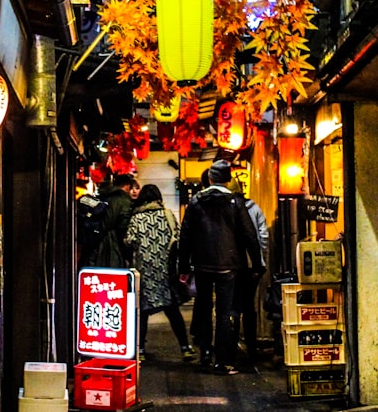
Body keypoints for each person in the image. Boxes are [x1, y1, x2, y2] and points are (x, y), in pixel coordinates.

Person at [178, 160, 265, 376]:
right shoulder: (235, 202)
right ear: (228, 180)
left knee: (204, 307)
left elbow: (185, 235)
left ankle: (205, 354)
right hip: (230, 266)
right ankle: (222, 362)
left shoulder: (196, 201)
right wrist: (256, 263)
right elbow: (249, 235)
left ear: (210, 178)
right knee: (225, 313)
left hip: (202, 265)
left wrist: (183, 266)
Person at [124, 183, 198, 362]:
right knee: (172, 310)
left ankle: (139, 350)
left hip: (145, 272)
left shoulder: (136, 218)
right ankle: (185, 347)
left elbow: (129, 241)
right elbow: (179, 238)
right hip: (166, 270)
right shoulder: (168, 215)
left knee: (141, 312)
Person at [232, 181, 269, 365]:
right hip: (252, 266)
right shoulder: (254, 208)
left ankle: (232, 349)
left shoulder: (227, 210)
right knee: (249, 307)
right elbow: (263, 234)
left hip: (232, 266)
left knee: (234, 307)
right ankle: (252, 348)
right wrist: (260, 258)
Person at [80, 173, 135, 268]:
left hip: (94, 246)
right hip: (113, 248)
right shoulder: (124, 201)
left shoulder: (103, 197)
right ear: (127, 186)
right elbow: (123, 228)